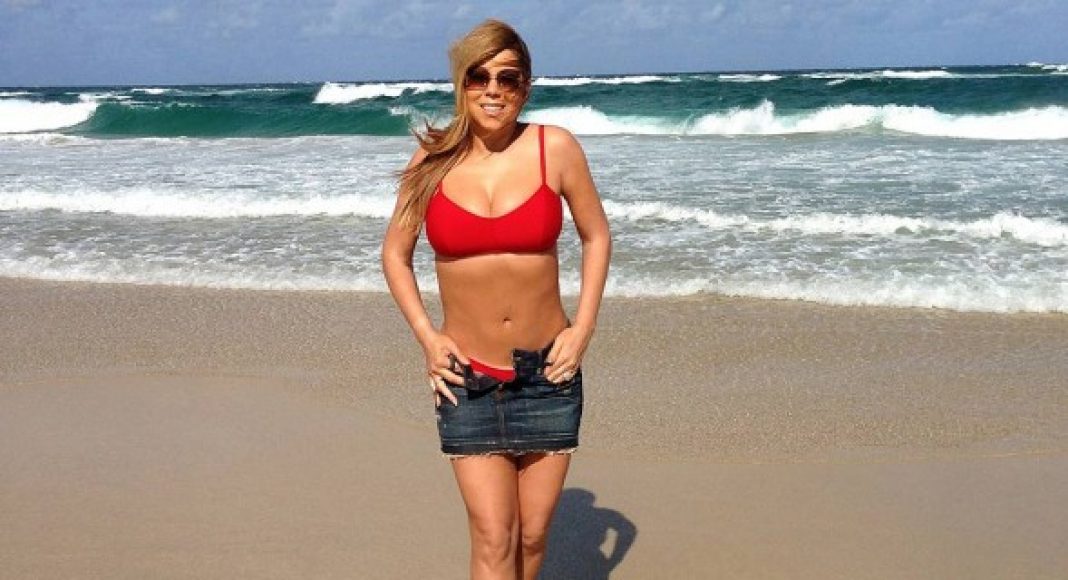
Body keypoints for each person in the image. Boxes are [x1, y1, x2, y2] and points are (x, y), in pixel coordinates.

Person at [381, 18, 611, 580]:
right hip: (468, 377)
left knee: (532, 536)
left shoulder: (555, 148)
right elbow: (394, 254)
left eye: (508, 78)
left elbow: (596, 236)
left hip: (549, 372)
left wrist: (583, 329)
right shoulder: (430, 160)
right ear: (461, 84)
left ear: (525, 86)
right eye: (478, 77)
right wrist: (428, 339)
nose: (493, 90)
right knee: (493, 534)